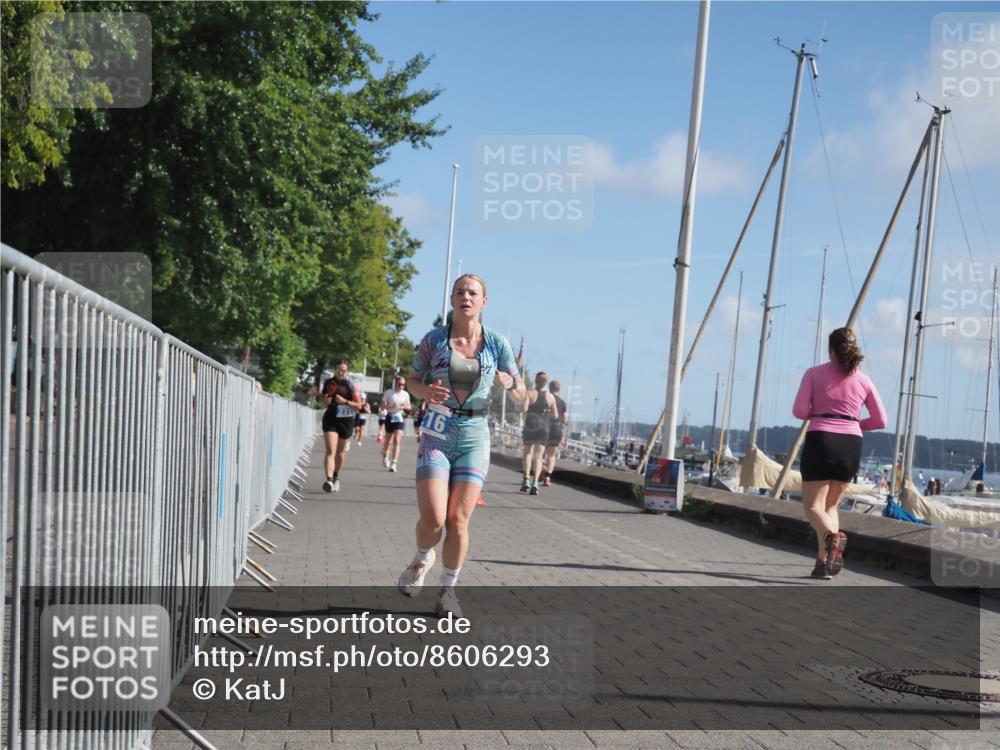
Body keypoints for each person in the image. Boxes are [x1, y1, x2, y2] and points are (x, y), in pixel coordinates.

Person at [397, 274, 526, 617]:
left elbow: (521, 393)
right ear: (452, 300)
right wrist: (425, 392)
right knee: (434, 518)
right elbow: (411, 380)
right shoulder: (434, 340)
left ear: (484, 302)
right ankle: (422, 558)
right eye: (460, 292)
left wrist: (510, 381)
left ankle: (448, 591)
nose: (465, 297)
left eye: (473, 292)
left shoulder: (497, 344)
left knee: (458, 520)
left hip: (474, 434)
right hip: (438, 432)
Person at [792, 328, 886, 579]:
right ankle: (823, 563)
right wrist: (854, 424)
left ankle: (833, 539)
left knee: (813, 507)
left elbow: (800, 411)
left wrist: (820, 414)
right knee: (831, 505)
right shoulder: (864, 380)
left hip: (821, 439)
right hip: (851, 444)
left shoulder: (813, 374)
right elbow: (880, 420)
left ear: (831, 350)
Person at [321, 360, 364, 492]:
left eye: (344, 370)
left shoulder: (351, 385)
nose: (341, 372)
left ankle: (336, 476)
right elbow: (323, 397)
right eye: (339, 370)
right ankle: (328, 480)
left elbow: (359, 405)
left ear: (347, 371)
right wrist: (325, 400)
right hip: (331, 419)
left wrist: (344, 402)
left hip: (346, 421)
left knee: (340, 452)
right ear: (335, 369)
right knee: (330, 451)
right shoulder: (329, 383)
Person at [519, 372, 557, 495]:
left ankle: (526, 481)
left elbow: (524, 409)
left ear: (535, 381)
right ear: (546, 382)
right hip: (543, 427)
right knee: (539, 457)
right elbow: (555, 415)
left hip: (531, 425)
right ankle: (535, 482)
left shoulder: (530, 393)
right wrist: (546, 413)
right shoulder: (550, 397)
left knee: (527, 453)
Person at [380, 375, 413, 472]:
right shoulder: (389, 393)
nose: (401, 386)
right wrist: (391, 405)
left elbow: (409, 407)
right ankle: (385, 454)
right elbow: (382, 406)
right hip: (390, 416)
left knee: (397, 440)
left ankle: (394, 463)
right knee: (388, 439)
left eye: (403, 385)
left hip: (399, 416)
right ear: (396, 383)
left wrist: (406, 407)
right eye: (400, 384)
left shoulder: (406, 394)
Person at [542, 380, 568, 487]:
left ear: (549, 388)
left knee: (540, 453)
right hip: (557, 429)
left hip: (544, 428)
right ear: (559, 390)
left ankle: (541, 469)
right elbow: (565, 419)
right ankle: (547, 478)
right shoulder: (562, 403)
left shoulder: (545, 398)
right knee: (552, 456)